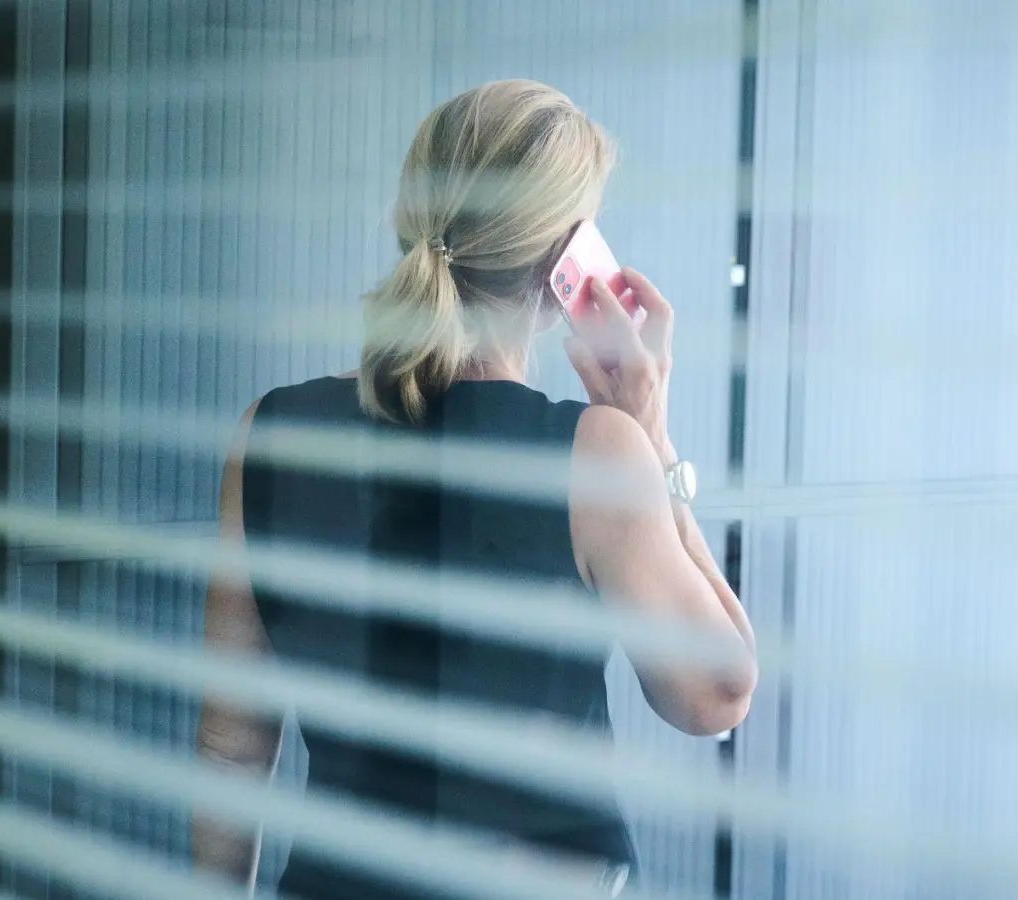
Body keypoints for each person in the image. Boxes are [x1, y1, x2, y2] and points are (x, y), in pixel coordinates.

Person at [193, 79, 758, 899]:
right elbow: (717, 692)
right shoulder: (593, 453)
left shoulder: (269, 433)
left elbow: (230, 750)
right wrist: (652, 434)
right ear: (566, 264)